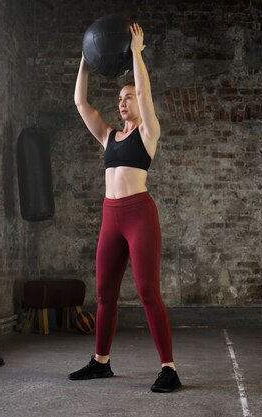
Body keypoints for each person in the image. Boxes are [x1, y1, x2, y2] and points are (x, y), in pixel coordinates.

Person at [68, 22, 181, 393]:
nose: (123, 101)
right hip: (110, 218)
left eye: (128, 97)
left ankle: (168, 368)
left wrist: (136, 52)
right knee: (104, 295)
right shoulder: (108, 136)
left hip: (138, 215)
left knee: (148, 292)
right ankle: (101, 362)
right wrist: (85, 62)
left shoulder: (149, 134)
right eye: (120, 97)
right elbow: (81, 103)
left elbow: (145, 89)